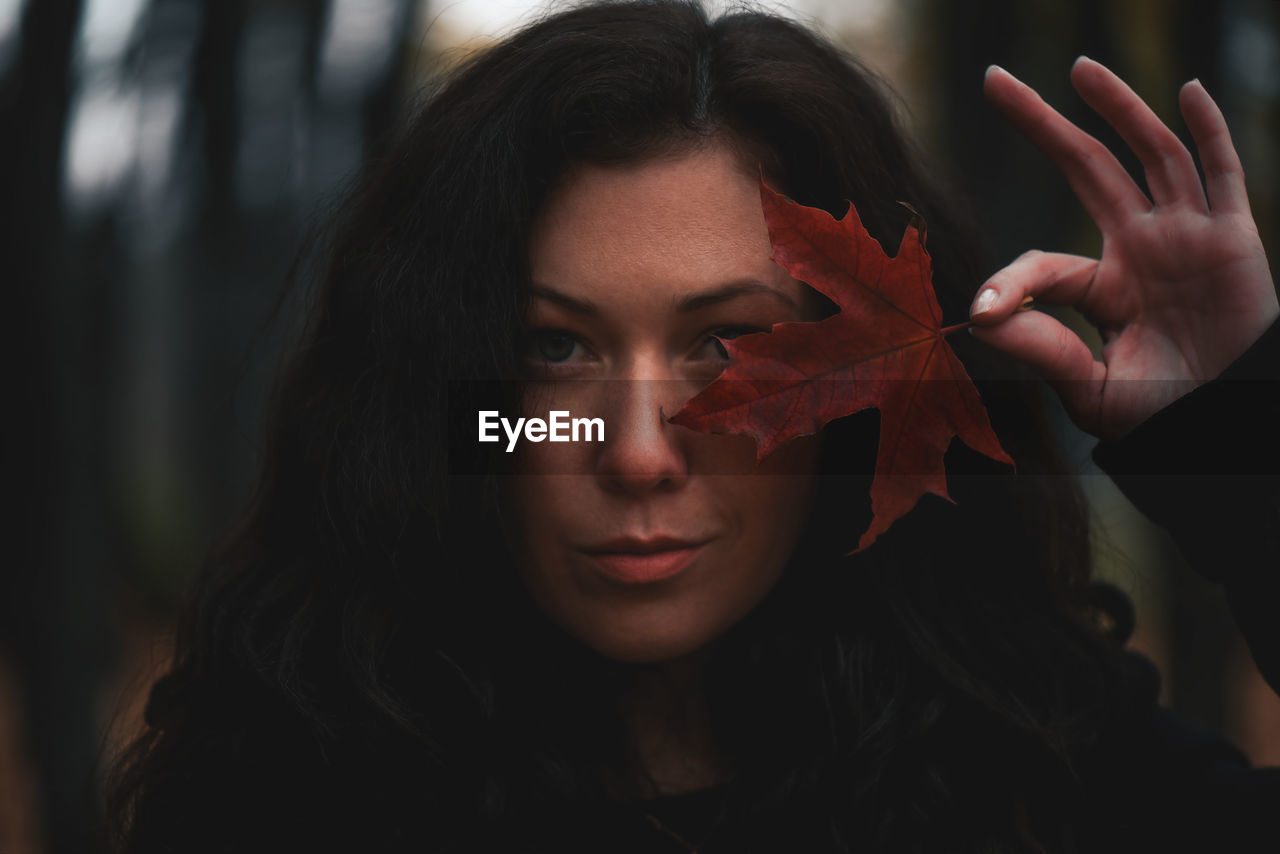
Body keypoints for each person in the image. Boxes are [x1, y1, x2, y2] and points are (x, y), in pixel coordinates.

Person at [105, 2, 1280, 852]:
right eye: (550, 348)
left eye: (730, 345)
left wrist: (1239, 450)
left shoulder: (1045, 770)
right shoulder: (283, 794)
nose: (637, 452)